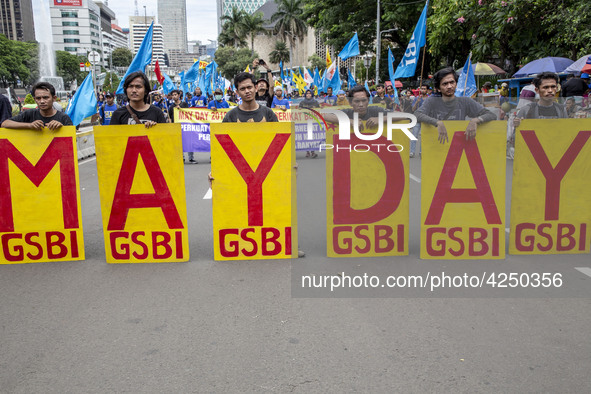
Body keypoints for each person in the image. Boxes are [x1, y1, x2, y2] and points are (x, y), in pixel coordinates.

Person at [415, 67, 496, 143]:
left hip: (458, 148)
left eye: (452, 82)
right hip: (437, 147)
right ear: (438, 88)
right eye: (445, 84)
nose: (449, 86)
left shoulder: (465, 101)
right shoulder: (432, 101)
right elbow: (417, 114)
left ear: (456, 84)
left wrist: (476, 121)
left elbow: (491, 115)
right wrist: (437, 122)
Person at [2, 82, 73, 130]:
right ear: (34, 99)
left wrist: (61, 127)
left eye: (46, 97)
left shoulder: (64, 118)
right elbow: (5, 123)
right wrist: (29, 125)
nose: (42, 101)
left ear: (54, 98)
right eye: (38, 98)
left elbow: (71, 139)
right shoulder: (29, 114)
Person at [298, 89, 320, 158]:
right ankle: (307, 151)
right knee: (306, 137)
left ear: (312, 94)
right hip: (304, 122)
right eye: (307, 93)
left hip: (313, 121)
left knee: (312, 137)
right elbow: (299, 110)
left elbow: (318, 110)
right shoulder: (302, 103)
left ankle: (313, 151)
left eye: (309, 93)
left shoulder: (315, 102)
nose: (308, 95)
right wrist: (299, 109)